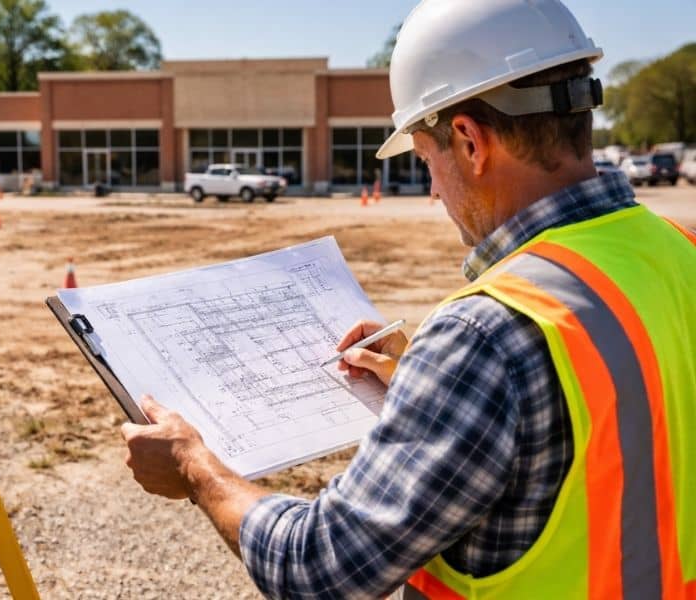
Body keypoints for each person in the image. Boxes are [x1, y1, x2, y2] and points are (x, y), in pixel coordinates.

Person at [120, 0, 696, 597]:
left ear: (470, 142)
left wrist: (195, 466)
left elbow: (320, 568)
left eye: (426, 160)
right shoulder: (681, 251)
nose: (432, 191)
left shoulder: (487, 336)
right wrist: (444, 391)